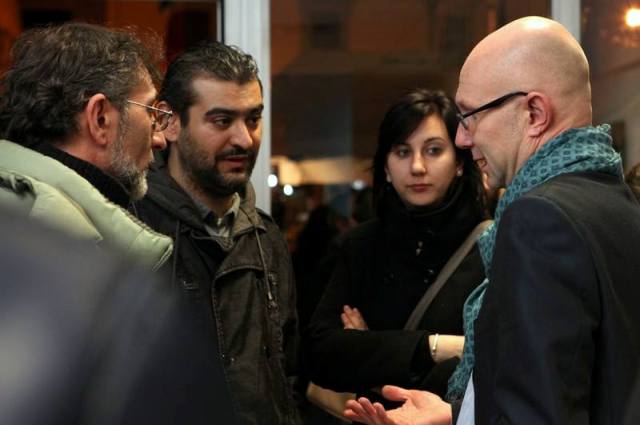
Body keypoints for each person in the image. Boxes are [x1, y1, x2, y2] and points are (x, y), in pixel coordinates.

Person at [345, 16, 640, 425]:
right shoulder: (615, 200)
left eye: (471, 115)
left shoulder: (540, 218)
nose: (463, 138)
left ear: (534, 112)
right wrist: (459, 413)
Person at [135, 42, 301, 425]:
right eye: (222, 121)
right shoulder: (133, 229)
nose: (244, 139)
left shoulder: (266, 237)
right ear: (168, 122)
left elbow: (287, 373)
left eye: (253, 119)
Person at [305, 89, 488, 405]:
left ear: (459, 161)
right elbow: (319, 355)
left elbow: (491, 363)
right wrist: (434, 348)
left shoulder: (489, 245)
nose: (417, 166)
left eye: (433, 150)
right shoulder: (360, 245)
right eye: (402, 152)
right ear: (386, 169)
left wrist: (369, 354)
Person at [0, 22, 172, 269]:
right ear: (99, 119)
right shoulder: (57, 243)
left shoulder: (24, 217)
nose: (160, 140)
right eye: (151, 113)